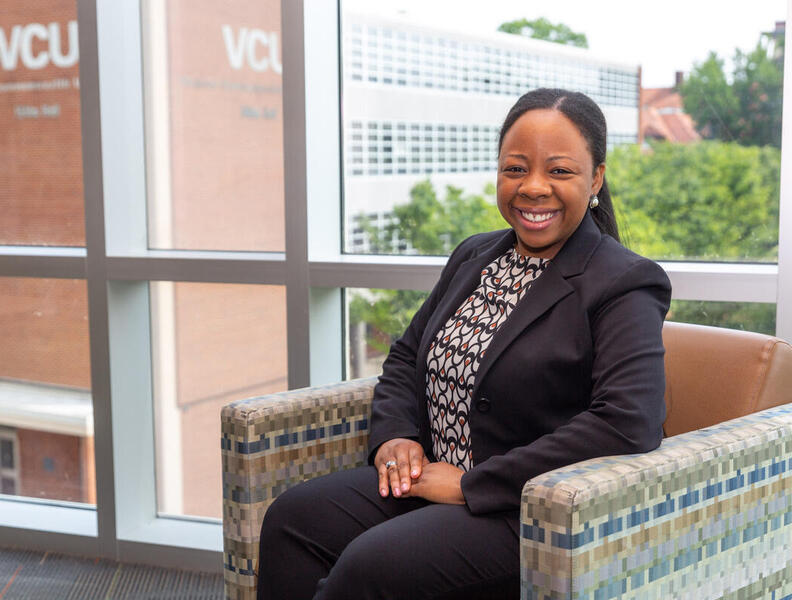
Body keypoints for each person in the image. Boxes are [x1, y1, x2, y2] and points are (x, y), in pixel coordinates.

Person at [256, 88, 671, 599]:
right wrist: (396, 436)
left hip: (526, 511)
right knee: (292, 519)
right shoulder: (475, 255)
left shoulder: (624, 281)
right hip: (431, 479)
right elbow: (407, 356)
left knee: (370, 566)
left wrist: (471, 485)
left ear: (596, 179)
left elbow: (626, 420)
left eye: (559, 171)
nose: (533, 187)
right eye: (515, 169)